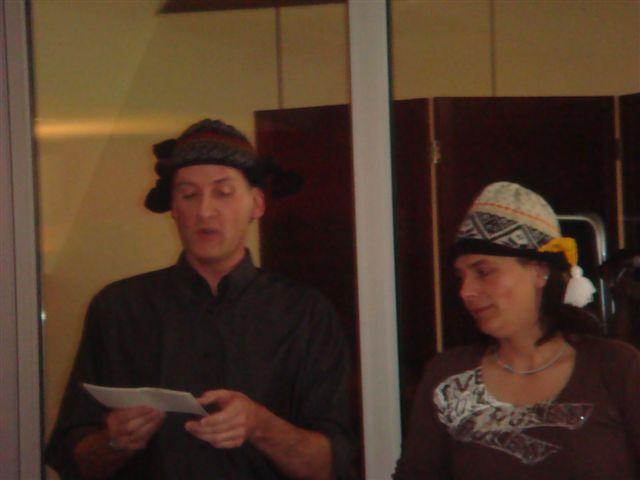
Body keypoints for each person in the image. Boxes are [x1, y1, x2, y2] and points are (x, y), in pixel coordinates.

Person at [46, 119, 353, 480]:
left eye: (223, 193)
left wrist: (260, 425)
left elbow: (331, 466)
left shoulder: (305, 313)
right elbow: (73, 461)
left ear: (256, 204)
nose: (205, 211)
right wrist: (114, 442)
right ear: (173, 209)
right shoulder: (118, 309)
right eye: (189, 195)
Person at [394, 181, 640, 479]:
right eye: (461, 276)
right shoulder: (448, 378)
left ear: (539, 271)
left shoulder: (615, 369)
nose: (466, 291)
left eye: (483, 272)